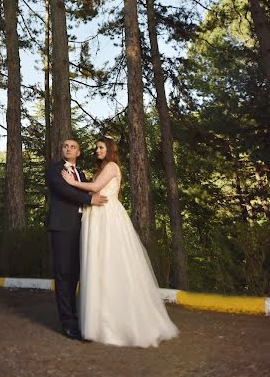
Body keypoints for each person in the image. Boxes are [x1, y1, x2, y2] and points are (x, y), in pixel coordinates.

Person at [61, 136, 179, 347]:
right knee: (97, 267)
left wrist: (71, 182)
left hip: (106, 217)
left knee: (110, 263)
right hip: (94, 217)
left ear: (110, 149)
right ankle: (97, 324)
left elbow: (96, 186)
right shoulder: (102, 167)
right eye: (96, 148)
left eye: (101, 147)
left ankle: (117, 322)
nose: (97, 150)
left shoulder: (112, 166)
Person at [46, 138, 108, 340]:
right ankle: (67, 323)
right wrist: (90, 199)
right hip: (62, 227)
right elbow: (64, 191)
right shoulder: (54, 170)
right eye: (65, 146)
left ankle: (78, 318)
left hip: (81, 228)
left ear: (78, 152)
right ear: (62, 149)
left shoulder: (80, 174)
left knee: (76, 274)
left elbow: (91, 188)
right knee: (63, 274)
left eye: (73, 147)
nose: (69, 149)